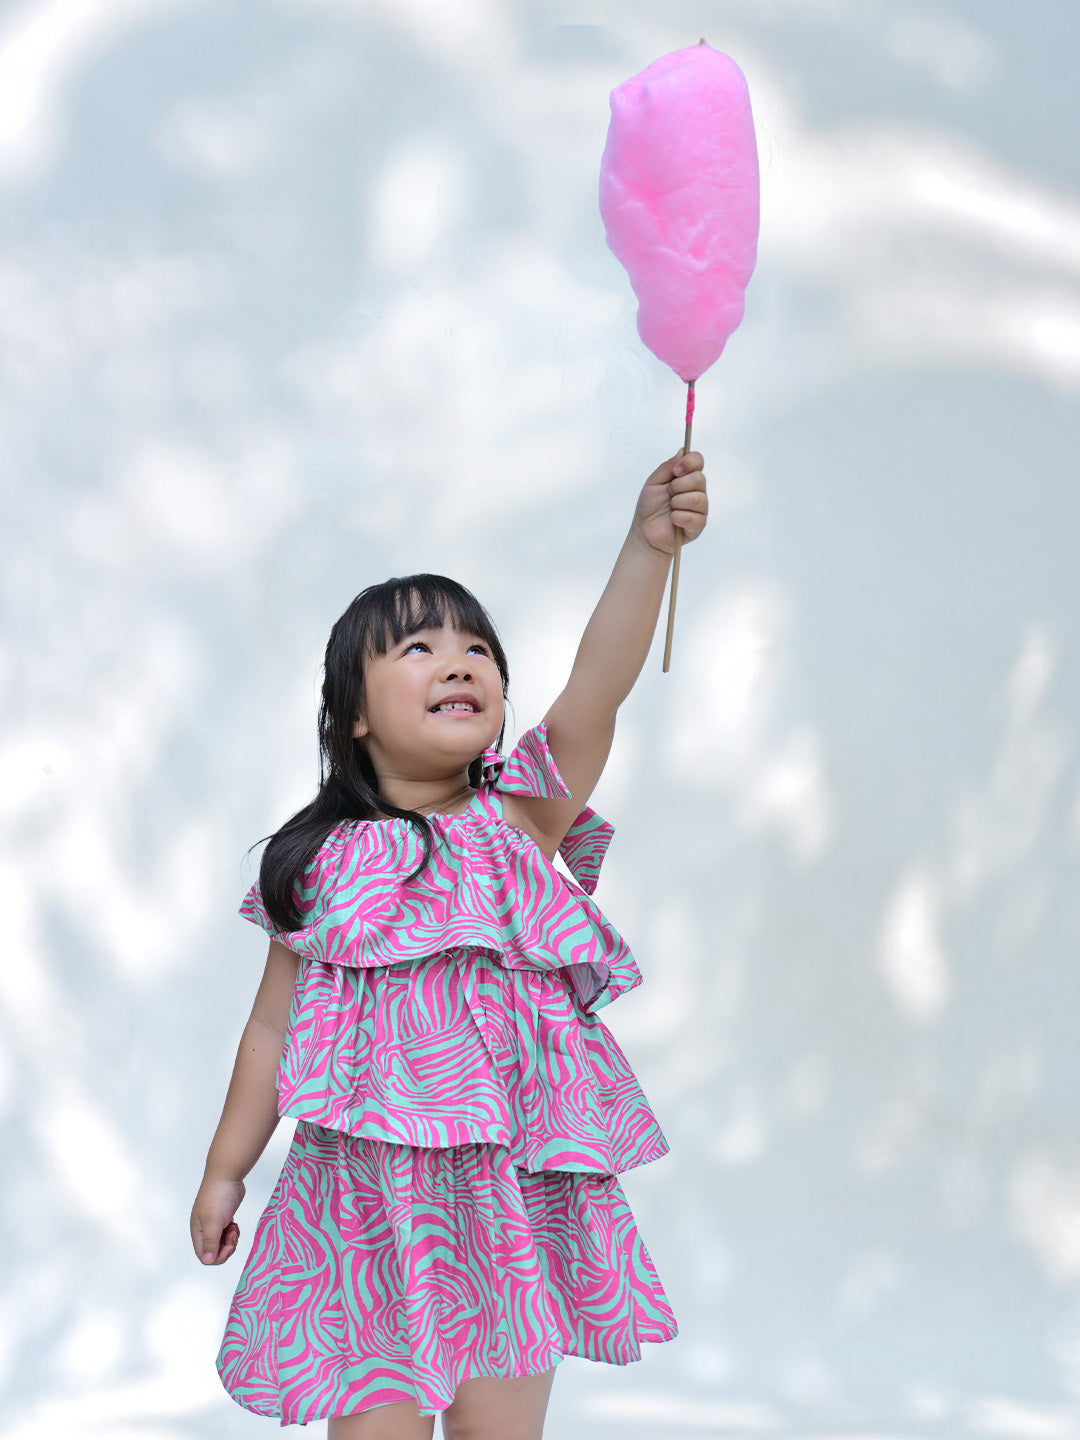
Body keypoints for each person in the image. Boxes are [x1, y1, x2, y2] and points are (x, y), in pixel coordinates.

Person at [190, 449, 709, 1439]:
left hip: (505, 1207)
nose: (460, 660)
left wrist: (649, 550)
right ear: (353, 714)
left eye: (477, 648)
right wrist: (226, 1170)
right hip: (367, 1216)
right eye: (418, 649)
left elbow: (596, 690)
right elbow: (269, 1033)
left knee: (496, 1431)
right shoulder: (315, 866)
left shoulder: (518, 823)